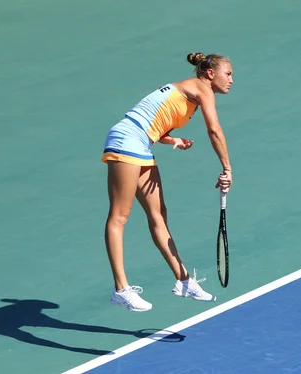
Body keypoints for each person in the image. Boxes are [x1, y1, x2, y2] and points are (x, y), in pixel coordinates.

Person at [100, 52, 234, 312]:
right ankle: (121, 289)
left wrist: (173, 140)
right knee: (119, 216)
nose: (231, 80)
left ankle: (183, 281)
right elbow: (214, 130)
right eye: (228, 74)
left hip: (140, 143)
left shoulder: (191, 93)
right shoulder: (201, 89)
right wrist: (227, 167)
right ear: (210, 74)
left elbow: (158, 125)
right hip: (127, 140)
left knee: (158, 215)